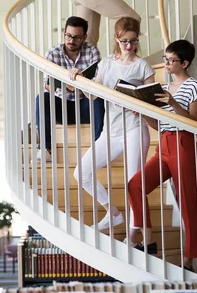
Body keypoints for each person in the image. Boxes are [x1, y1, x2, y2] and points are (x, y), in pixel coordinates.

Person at [71, 17, 155, 233]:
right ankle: (113, 213)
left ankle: (136, 235)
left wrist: (143, 104)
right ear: (117, 39)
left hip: (135, 127)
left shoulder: (143, 66)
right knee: (82, 172)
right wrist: (78, 81)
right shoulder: (106, 63)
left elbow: (154, 99)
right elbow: (93, 94)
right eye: (125, 41)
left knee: (133, 183)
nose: (129, 46)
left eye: (133, 41)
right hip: (111, 130)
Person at [127, 39, 197, 272]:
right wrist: (142, 112)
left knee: (188, 202)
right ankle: (148, 239)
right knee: (135, 184)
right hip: (164, 143)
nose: (167, 63)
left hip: (184, 143)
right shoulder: (164, 88)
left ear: (185, 63)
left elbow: (193, 122)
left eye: (172, 60)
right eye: (166, 59)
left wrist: (174, 104)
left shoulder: (194, 86)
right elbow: (159, 125)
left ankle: (190, 259)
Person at [35, 16, 104, 162]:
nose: (71, 41)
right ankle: (46, 148)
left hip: (85, 104)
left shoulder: (92, 51)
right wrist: (66, 82)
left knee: (100, 99)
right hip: (63, 106)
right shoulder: (53, 53)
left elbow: (97, 84)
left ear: (84, 37)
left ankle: (99, 148)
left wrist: (80, 81)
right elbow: (47, 85)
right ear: (63, 33)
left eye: (77, 37)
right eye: (68, 36)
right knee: (42, 98)